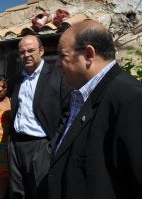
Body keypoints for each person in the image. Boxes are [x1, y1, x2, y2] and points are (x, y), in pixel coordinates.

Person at [49, 19, 142, 199]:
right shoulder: (80, 97)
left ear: (89, 55)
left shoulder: (130, 100)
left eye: (62, 55)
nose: (57, 63)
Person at [8, 34, 71, 199]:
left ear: (41, 51)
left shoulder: (58, 75)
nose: (26, 55)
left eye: (30, 50)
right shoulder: (16, 80)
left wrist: (53, 144)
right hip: (16, 145)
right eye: (22, 52)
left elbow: (68, 111)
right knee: (18, 192)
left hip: (41, 145)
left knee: (41, 191)